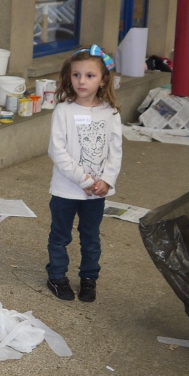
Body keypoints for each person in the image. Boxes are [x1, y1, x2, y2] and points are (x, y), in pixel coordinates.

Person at [45, 46, 122, 303]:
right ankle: (56, 276)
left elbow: (115, 151)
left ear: (103, 80)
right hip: (66, 190)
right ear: (69, 77)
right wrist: (85, 180)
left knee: (91, 239)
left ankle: (89, 279)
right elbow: (57, 151)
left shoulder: (110, 113)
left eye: (90, 76)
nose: (82, 81)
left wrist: (107, 180)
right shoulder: (63, 111)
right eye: (76, 75)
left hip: (96, 194)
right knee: (60, 237)